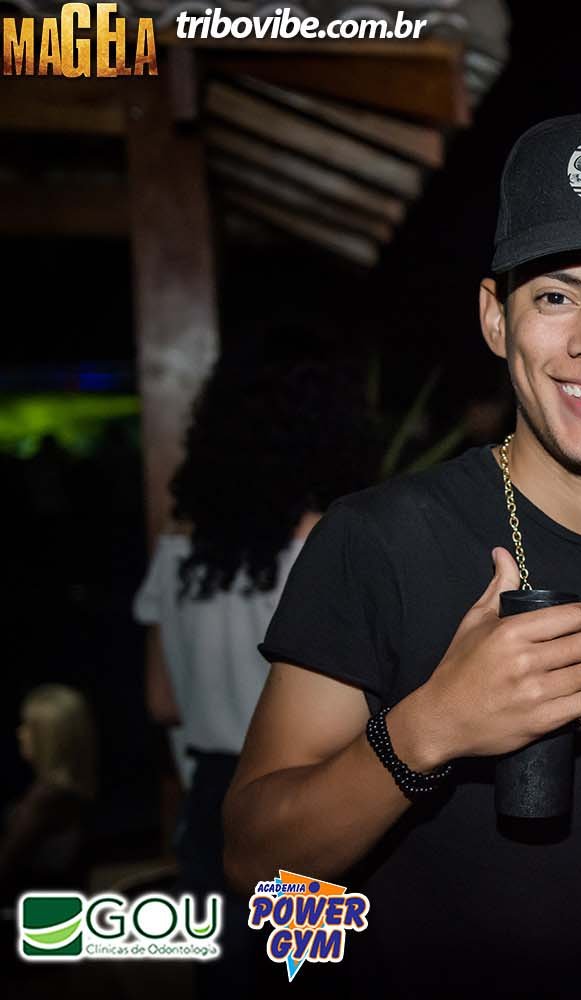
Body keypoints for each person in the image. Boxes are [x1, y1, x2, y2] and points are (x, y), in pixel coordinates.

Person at [223, 110, 581, 992]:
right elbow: (254, 864)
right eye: (556, 296)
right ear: (496, 318)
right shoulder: (380, 539)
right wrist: (428, 729)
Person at [134, 342, 377, 997]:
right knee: (309, 984)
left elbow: (161, 700)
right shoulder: (335, 542)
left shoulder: (179, 547)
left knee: (225, 986)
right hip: (304, 800)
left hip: (209, 804)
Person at [0, 685, 95, 897]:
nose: (20, 734)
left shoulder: (47, 800)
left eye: (28, 727)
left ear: (48, 737)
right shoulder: (74, 793)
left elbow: (6, 864)